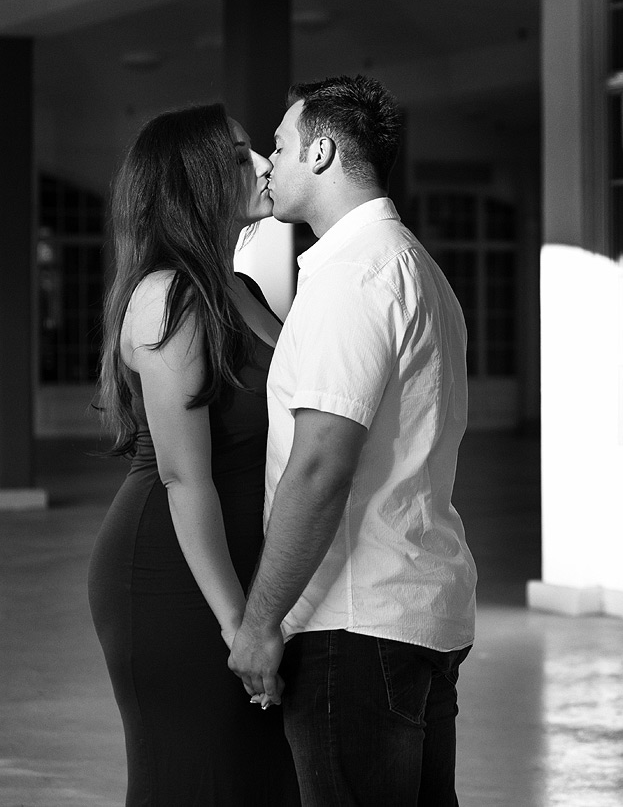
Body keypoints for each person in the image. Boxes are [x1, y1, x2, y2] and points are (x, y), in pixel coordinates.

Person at [227, 75, 477, 805]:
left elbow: (319, 466)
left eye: (279, 146)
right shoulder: (415, 267)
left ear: (323, 150)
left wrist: (260, 621)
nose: (268, 164)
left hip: (355, 625)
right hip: (415, 612)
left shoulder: (353, 277)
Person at [88, 103, 299, 805]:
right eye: (243, 155)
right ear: (197, 181)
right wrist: (239, 622)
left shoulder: (240, 289)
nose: (265, 163)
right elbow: (183, 477)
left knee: (255, 779)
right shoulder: (165, 296)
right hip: (172, 578)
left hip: (240, 563)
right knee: (198, 778)